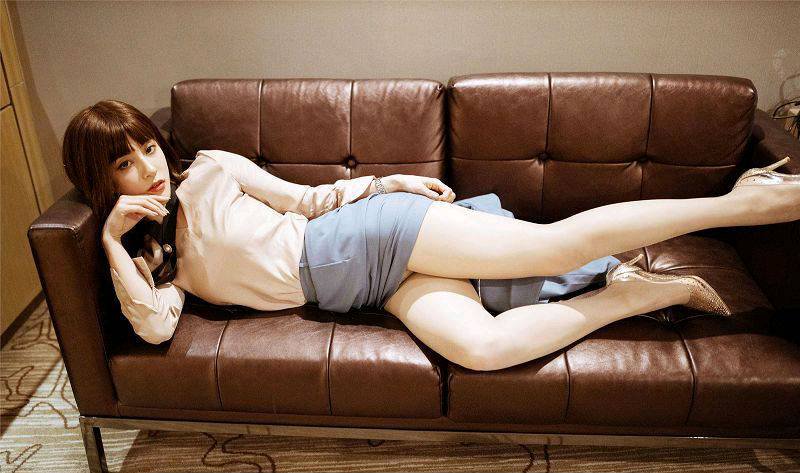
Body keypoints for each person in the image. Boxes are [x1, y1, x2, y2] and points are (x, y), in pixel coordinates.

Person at [62, 99, 800, 372]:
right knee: (482, 350)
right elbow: (155, 328)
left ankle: (738, 203)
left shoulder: (211, 170)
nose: (147, 169)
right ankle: (641, 293)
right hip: (364, 290)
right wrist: (111, 244)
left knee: (552, 247)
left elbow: (308, 199)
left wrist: (389, 183)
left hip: (370, 236)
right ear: (103, 181)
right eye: (123, 164)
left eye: (147, 148)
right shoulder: (155, 264)